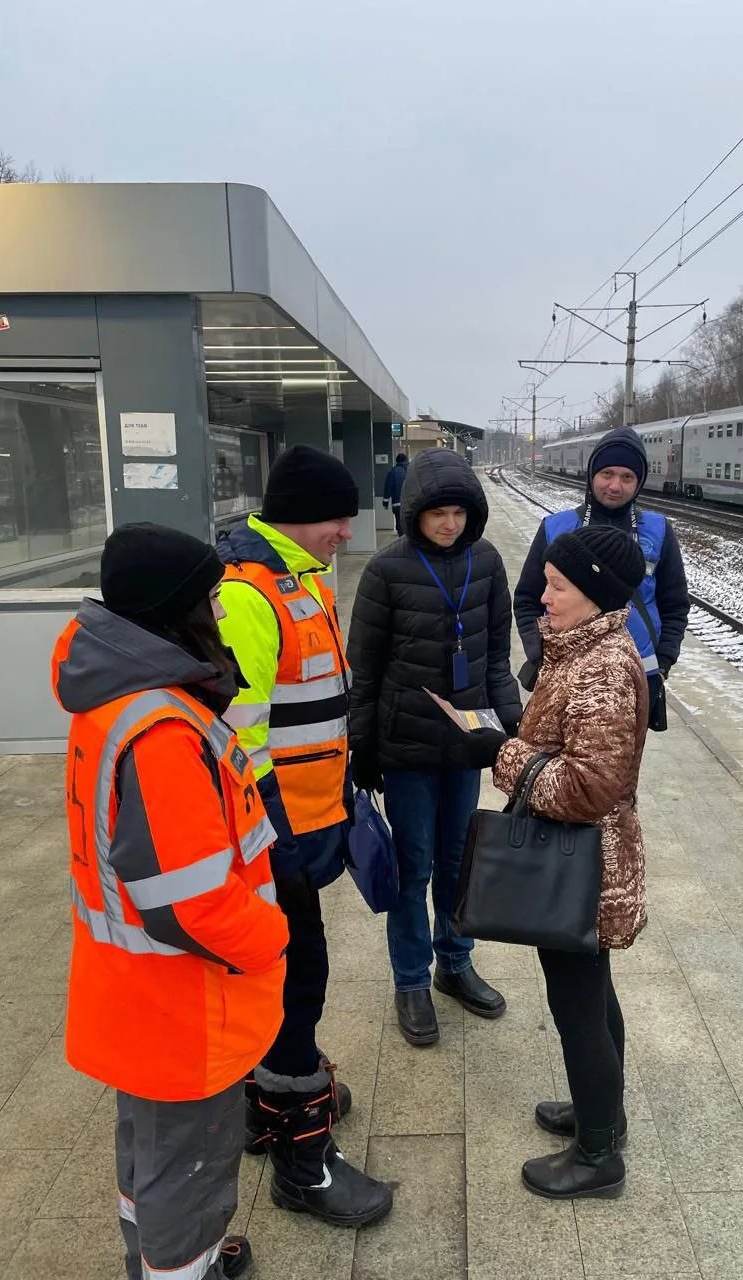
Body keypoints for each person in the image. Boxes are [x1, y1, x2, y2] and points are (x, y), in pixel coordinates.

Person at [52, 523, 289, 1280]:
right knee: (189, 1179)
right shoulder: (160, 729)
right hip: (186, 1010)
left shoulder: (115, 700)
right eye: (210, 599)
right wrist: (272, 936)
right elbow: (191, 906)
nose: (221, 613)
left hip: (134, 998)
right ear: (173, 611)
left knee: (148, 1161)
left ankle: (150, 1257)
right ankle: (182, 1266)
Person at [216, 444, 393, 1228]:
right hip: (274, 836)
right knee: (297, 982)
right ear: (299, 516)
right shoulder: (250, 597)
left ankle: (268, 1104)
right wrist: (273, 839)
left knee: (289, 977)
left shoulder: (299, 582)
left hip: (309, 821)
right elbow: (235, 739)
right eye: (336, 519)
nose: (345, 535)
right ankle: (302, 1160)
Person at [461, 524, 649, 1201]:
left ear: (594, 594)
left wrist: (500, 754)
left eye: (558, 585)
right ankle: (605, 1112)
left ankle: (598, 1156)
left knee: (577, 1006)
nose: (544, 594)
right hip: (584, 862)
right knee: (592, 993)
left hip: (579, 867)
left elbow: (588, 790)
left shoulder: (601, 669)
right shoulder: (583, 648)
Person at [347, 447, 522, 1046]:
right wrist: (361, 746)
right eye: (437, 513)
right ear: (416, 513)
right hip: (406, 748)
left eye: (458, 513)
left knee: (458, 861)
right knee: (412, 866)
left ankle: (456, 961)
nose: (449, 524)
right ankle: (411, 980)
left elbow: (498, 660)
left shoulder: (489, 562)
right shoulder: (386, 571)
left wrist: (518, 730)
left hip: (466, 745)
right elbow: (364, 671)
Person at [513, 427, 689, 722]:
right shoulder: (555, 528)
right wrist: (538, 652)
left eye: (627, 477)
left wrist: (665, 658)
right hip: (564, 677)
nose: (615, 486)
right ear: (592, 474)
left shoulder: (658, 532)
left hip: (636, 678)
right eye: (607, 474)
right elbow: (526, 599)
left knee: (619, 762)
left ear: (639, 482)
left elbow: (675, 603)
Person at [382, 451, 409, 533]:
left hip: (397, 504)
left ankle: (402, 540)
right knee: (409, 523)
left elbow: (388, 488)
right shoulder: (412, 470)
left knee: (400, 524)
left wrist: (385, 502)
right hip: (411, 503)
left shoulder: (393, 472)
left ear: (397, 461)